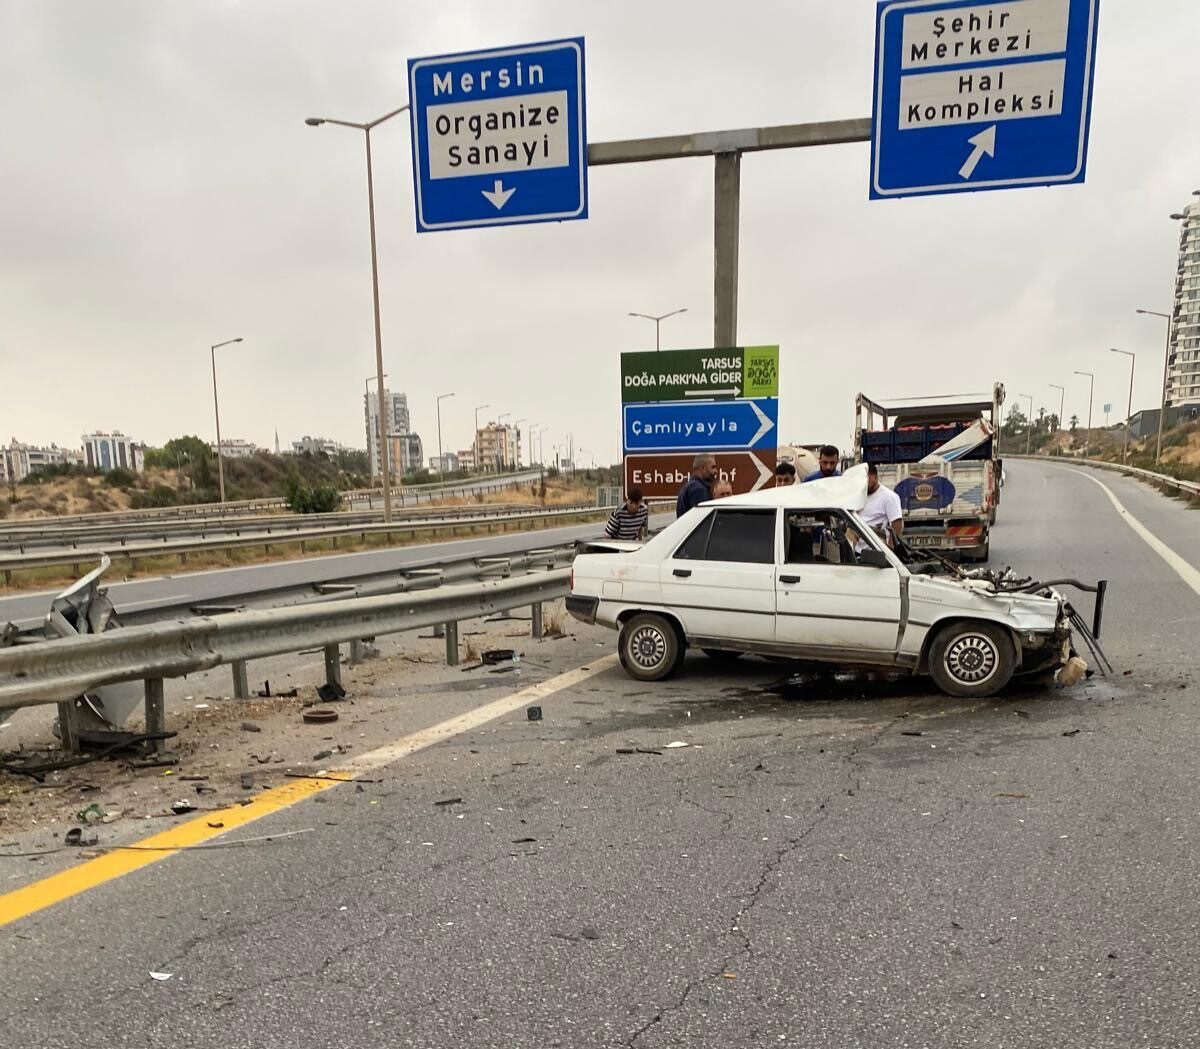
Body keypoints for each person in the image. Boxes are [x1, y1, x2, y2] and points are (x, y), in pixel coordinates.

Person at [856, 463, 904, 551]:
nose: (864, 482)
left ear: (875, 477)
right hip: (858, 551)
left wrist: (890, 549)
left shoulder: (888, 496)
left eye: (867, 478)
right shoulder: (860, 496)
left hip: (876, 552)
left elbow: (897, 524)